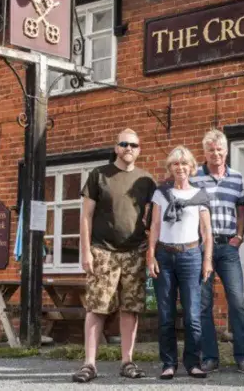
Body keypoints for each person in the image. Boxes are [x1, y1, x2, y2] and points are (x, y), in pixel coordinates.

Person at [73, 129, 156, 383]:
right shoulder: (99, 175)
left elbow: (154, 219)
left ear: (139, 149)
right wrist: (85, 251)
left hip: (135, 251)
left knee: (131, 308)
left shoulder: (146, 180)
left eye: (134, 144)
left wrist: (151, 252)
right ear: (116, 147)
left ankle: (127, 361)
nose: (129, 148)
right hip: (103, 250)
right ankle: (89, 364)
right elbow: (86, 216)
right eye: (124, 144)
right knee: (97, 307)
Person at [146, 145, 214, 380]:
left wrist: (207, 261)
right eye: (175, 163)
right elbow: (154, 226)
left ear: (191, 167)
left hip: (192, 256)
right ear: (170, 168)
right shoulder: (161, 194)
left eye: (184, 163)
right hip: (164, 256)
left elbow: (206, 231)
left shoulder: (200, 195)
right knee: (165, 314)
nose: (180, 167)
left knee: (193, 314)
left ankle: (193, 363)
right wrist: (150, 254)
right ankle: (168, 363)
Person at [191, 130, 244, 374]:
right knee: (203, 304)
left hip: (227, 247)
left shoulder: (236, 177)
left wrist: (240, 236)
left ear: (226, 151)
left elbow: (241, 209)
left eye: (219, 150)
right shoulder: (194, 176)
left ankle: (243, 357)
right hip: (200, 247)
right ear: (204, 152)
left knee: (237, 302)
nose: (215, 154)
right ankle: (210, 357)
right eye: (211, 150)